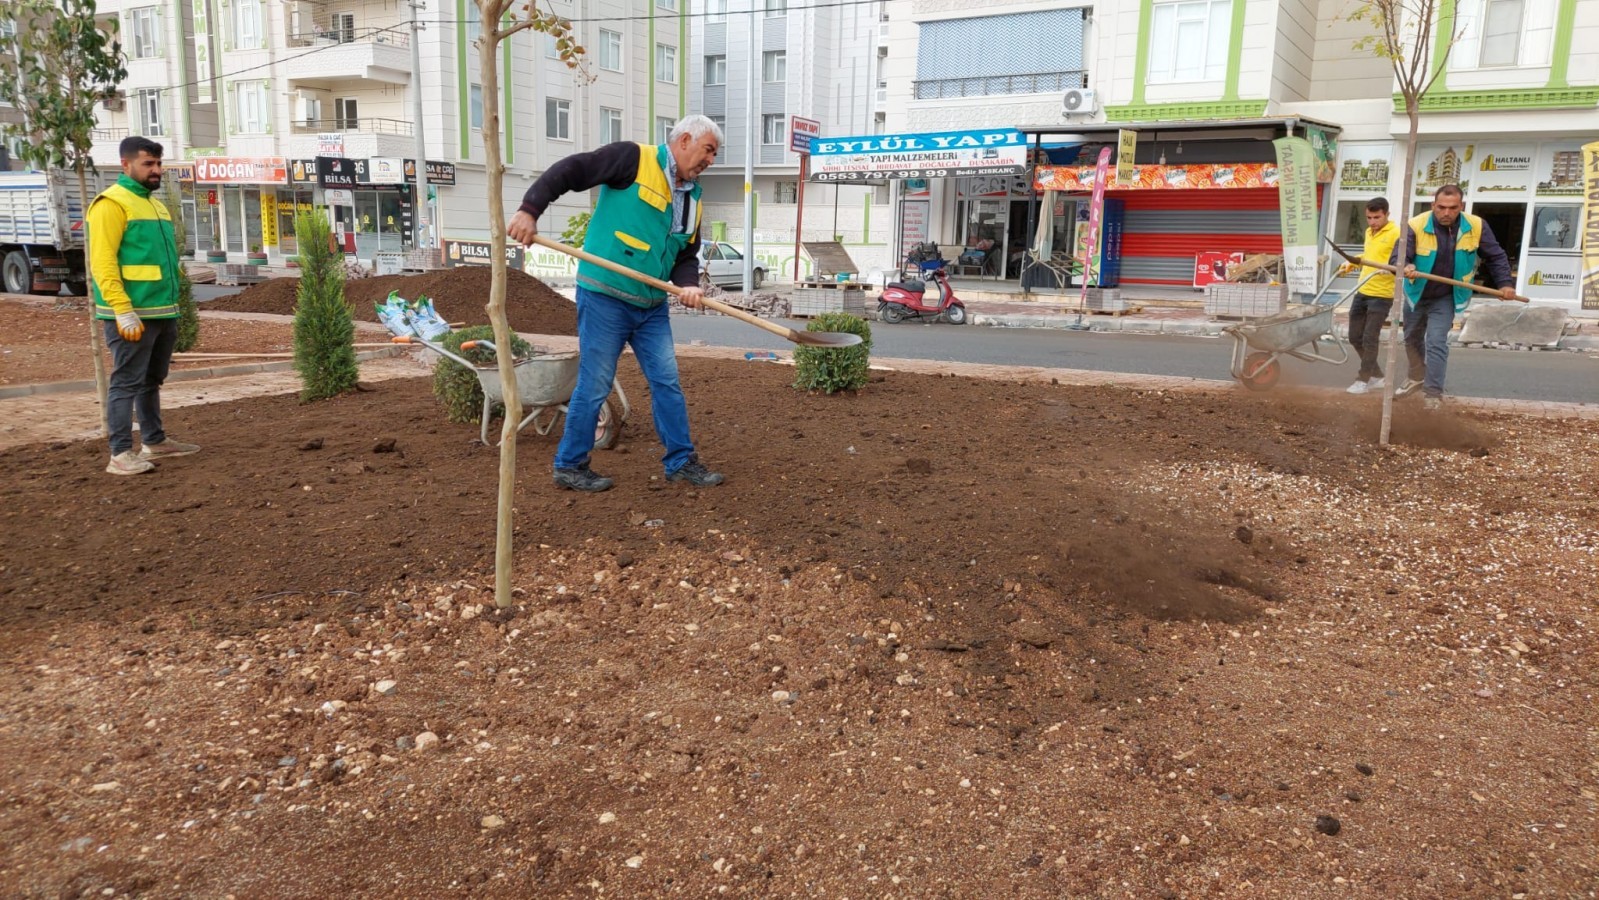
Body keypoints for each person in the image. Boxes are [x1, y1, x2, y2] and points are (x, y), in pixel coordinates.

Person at [507, 115, 725, 492]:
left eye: (715, 155)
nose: (711, 160)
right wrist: (530, 209)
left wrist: (689, 286)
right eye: (709, 150)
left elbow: (686, 254)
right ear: (685, 139)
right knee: (594, 383)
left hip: (652, 305)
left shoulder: (693, 199)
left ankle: (681, 461)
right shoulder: (633, 159)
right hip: (606, 296)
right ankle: (570, 465)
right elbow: (571, 170)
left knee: (667, 383)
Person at [88, 136, 198, 475]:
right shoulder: (111, 204)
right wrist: (121, 308)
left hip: (162, 310)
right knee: (126, 382)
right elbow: (102, 261)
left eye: (158, 164)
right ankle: (120, 454)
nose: (156, 170)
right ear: (126, 165)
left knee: (151, 380)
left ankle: (154, 440)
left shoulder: (155, 204)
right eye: (148, 164)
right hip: (132, 314)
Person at [1390, 184, 1517, 410]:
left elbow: (1495, 256)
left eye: (1452, 208)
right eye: (1441, 207)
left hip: (1447, 296)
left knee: (1437, 341)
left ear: (1461, 206)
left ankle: (1432, 394)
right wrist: (1405, 264)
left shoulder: (1476, 226)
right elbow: (1398, 256)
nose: (1446, 213)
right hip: (1417, 293)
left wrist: (1505, 284)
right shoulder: (1415, 225)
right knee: (1411, 338)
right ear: (1433, 206)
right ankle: (1417, 376)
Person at [1337, 197, 1399, 395]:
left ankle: (1363, 380)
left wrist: (1390, 270)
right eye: (1369, 218)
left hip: (1382, 295)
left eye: (1377, 217)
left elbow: (1401, 261)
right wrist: (1352, 263)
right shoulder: (1368, 232)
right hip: (1363, 290)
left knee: (1369, 338)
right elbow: (1368, 256)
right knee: (1355, 337)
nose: (1373, 222)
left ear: (1387, 214)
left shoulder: (1397, 234)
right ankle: (1377, 376)